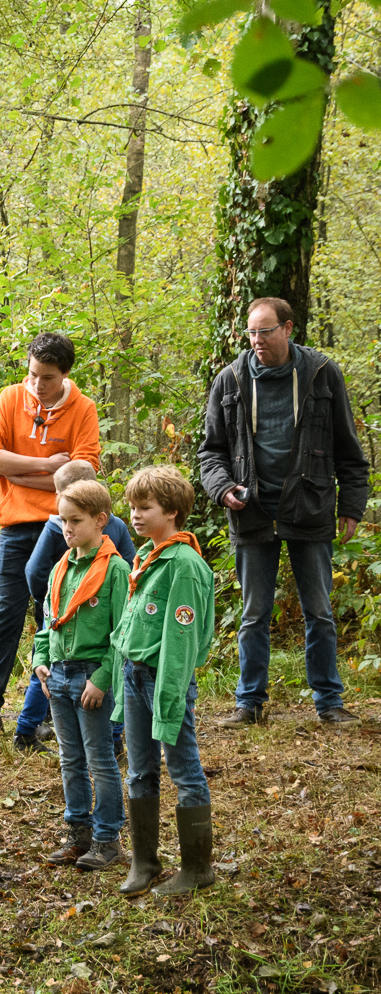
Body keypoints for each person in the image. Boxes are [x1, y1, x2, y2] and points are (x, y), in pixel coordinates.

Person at [198, 296, 369, 729]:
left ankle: (329, 702)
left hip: (309, 506)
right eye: (251, 332)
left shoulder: (321, 373)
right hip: (252, 511)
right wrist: (223, 489)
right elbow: (211, 453)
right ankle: (249, 704)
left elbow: (348, 450)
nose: (256, 340)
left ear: (288, 329)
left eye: (265, 331)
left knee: (320, 612)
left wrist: (351, 506)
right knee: (254, 614)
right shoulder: (230, 379)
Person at [0, 332, 101, 739]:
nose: (38, 384)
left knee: (55, 619)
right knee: (3, 618)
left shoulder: (83, 409)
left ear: (65, 374)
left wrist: (17, 473)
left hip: (61, 528)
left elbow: (83, 476)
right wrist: (48, 466)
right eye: (33, 374)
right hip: (15, 528)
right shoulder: (10, 398)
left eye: (48, 377)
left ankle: (48, 714)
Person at [111, 465, 216, 897]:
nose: (135, 515)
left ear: (172, 512)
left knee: (184, 769)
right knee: (139, 769)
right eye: (133, 507)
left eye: (145, 508)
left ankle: (197, 867)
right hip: (135, 676)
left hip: (164, 680)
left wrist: (169, 694)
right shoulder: (147, 556)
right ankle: (145, 861)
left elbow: (181, 639)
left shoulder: (184, 565)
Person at [31, 479, 130, 873]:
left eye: (75, 520)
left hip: (91, 678)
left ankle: (108, 838)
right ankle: (78, 833)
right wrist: (40, 660)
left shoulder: (116, 570)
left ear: (100, 520)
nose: (66, 528)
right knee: (69, 758)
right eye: (62, 520)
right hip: (58, 675)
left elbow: (122, 634)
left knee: (100, 759)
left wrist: (102, 678)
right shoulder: (61, 567)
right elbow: (47, 620)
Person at [14, 460, 137, 753]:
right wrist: (47, 601)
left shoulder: (102, 536)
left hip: (95, 620)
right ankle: (28, 729)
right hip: (58, 614)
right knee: (47, 671)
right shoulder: (62, 529)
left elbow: (129, 570)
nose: (67, 526)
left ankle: (109, 737)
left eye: (59, 493)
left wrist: (42, 599)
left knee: (100, 679)